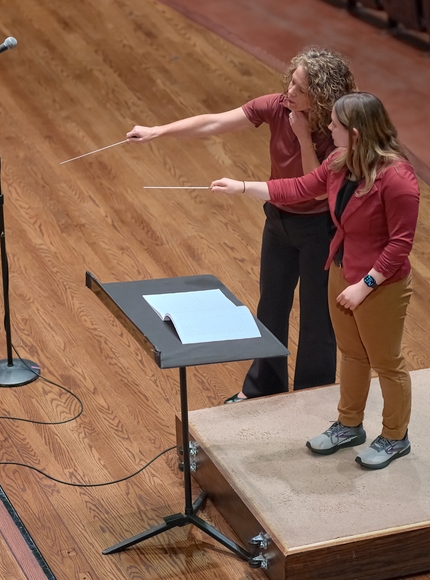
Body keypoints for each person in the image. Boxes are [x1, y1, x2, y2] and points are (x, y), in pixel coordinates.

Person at [127, 47, 357, 403]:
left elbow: (313, 188)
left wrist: (301, 137)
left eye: (299, 89)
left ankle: (310, 400)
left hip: (319, 232)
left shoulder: (337, 132)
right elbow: (216, 121)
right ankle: (263, 387)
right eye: (291, 83)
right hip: (279, 221)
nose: (289, 93)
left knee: (317, 322)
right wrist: (159, 131)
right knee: (271, 307)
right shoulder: (279, 105)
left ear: (322, 96)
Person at [210, 92, 420, 470]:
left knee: (387, 362)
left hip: (380, 284)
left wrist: (365, 285)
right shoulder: (340, 162)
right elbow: (300, 187)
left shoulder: (398, 180)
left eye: (335, 125)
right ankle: (349, 424)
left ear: (355, 133)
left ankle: (394, 436)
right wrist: (242, 186)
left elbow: (400, 244)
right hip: (342, 268)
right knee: (353, 354)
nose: (328, 129)